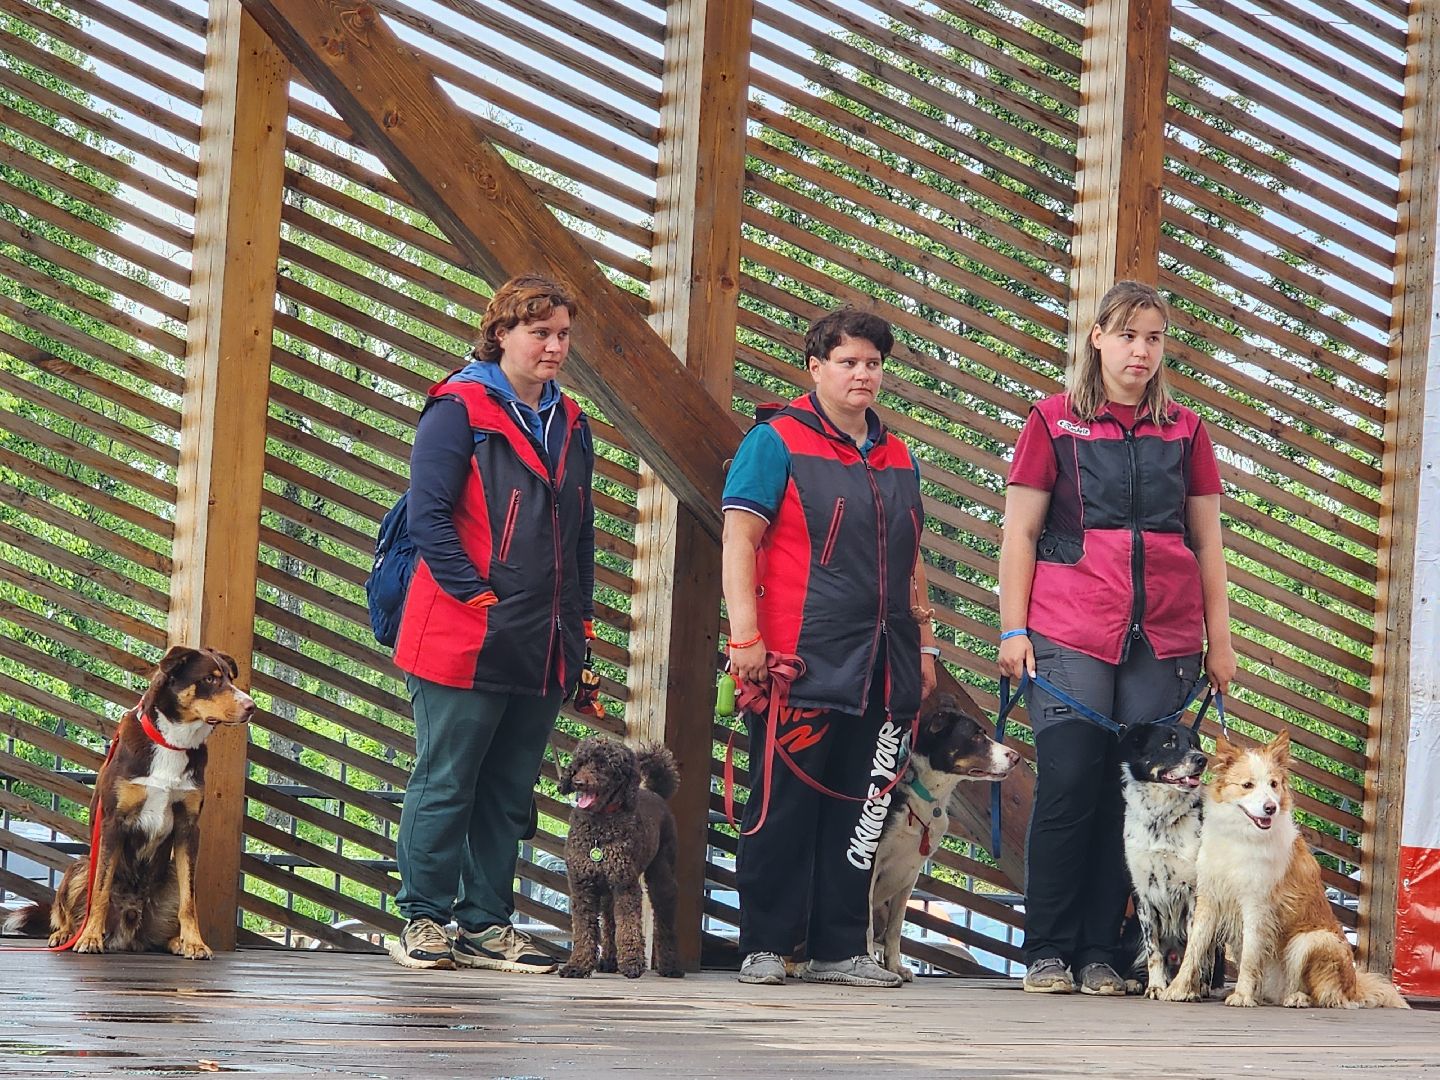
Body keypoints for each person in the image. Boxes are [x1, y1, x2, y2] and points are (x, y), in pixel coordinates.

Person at [998, 279, 1236, 995]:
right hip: (1069, 631)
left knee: (1133, 796)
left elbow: (1208, 542)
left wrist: (1218, 643)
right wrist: (1013, 627)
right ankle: (1046, 949)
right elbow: (1021, 532)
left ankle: (1103, 950)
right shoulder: (1051, 421)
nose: (1140, 350)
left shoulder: (1186, 430)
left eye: (1154, 338)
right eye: (1128, 334)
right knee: (1069, 784)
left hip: (1162, 638)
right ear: (1097, 337)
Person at [721, 306, 939, 989]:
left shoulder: (897, 452)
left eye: (873, 363)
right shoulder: (775, 440)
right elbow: (738, 540)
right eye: (848, 362)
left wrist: (926, 643)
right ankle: (765, 945)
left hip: (883, 662)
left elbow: (910, 558)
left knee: (863, 806)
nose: (862, 374)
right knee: (781, 805)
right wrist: (744, 639)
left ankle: (839, 949)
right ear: (815, 367)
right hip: (798, 659)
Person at [389, 274, 595, 972]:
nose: (555, 347)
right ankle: (422, 920)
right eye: (541, 333)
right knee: (446, 781)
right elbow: (429, 517)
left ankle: (485, 925)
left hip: (542, 642)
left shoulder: (570, 422)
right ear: (501, 332)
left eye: (563, 334)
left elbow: (580, 538)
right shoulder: (459, 408)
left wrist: (580, 628)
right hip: (462, 634)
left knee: (509, 792)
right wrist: (476, 596)